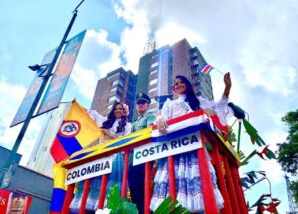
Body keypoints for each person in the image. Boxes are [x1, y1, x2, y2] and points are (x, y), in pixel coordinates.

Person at [150, 73, 232, 213]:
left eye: (182, 82)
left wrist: (227, 87)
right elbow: (162, 118)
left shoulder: (197, 101)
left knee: (198, 183)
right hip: (175, 149)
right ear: (174, 89)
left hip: (195, 148)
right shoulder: (170, 103)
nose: (179, 85)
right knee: (173, 184)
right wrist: (160, 119)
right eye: (176, 83)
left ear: (187, 84)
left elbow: (218, 106)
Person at [70, 102, 131, 213]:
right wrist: (78, 106)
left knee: (109, 185)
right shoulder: (104, 121)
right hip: (99, 155)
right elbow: (91, 114)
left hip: (115, 157)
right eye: (115, 109)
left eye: (120, 109)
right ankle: (90, 207)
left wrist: (109, 134)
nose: (118, 111)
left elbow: (125, 142)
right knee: (93, 183)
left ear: (124, 111)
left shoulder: (127, 125)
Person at [128, 93, 156, 214]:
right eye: (138, 102)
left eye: (143, 102)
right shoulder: (134, 123)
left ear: (148, 105)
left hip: (144, 155)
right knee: (133, 187)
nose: (140, 104)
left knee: (143, 187)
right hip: (133, 158)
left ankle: (144, 211)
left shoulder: (150, 116)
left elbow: (149, 131)